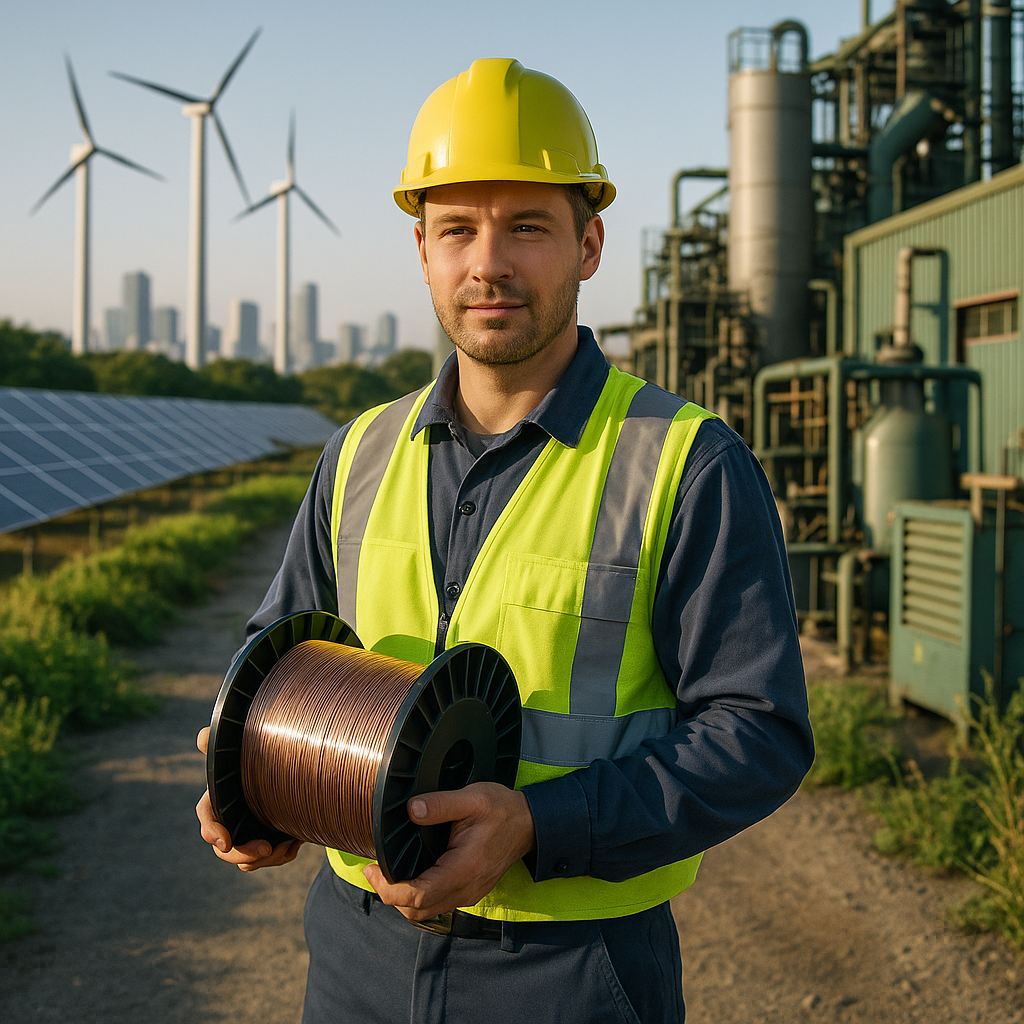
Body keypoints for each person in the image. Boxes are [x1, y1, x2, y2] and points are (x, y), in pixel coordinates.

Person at [196, 57, 814, 1024]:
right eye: (458, 230)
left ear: (590, 244)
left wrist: (537, 824)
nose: (488, 262)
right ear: (423, 250)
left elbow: (760, 730)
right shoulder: (357, 453)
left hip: (575, 972)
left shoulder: (687, 465)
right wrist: (257, 787)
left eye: (527, 226)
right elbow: (276, 666)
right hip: (358, 958)